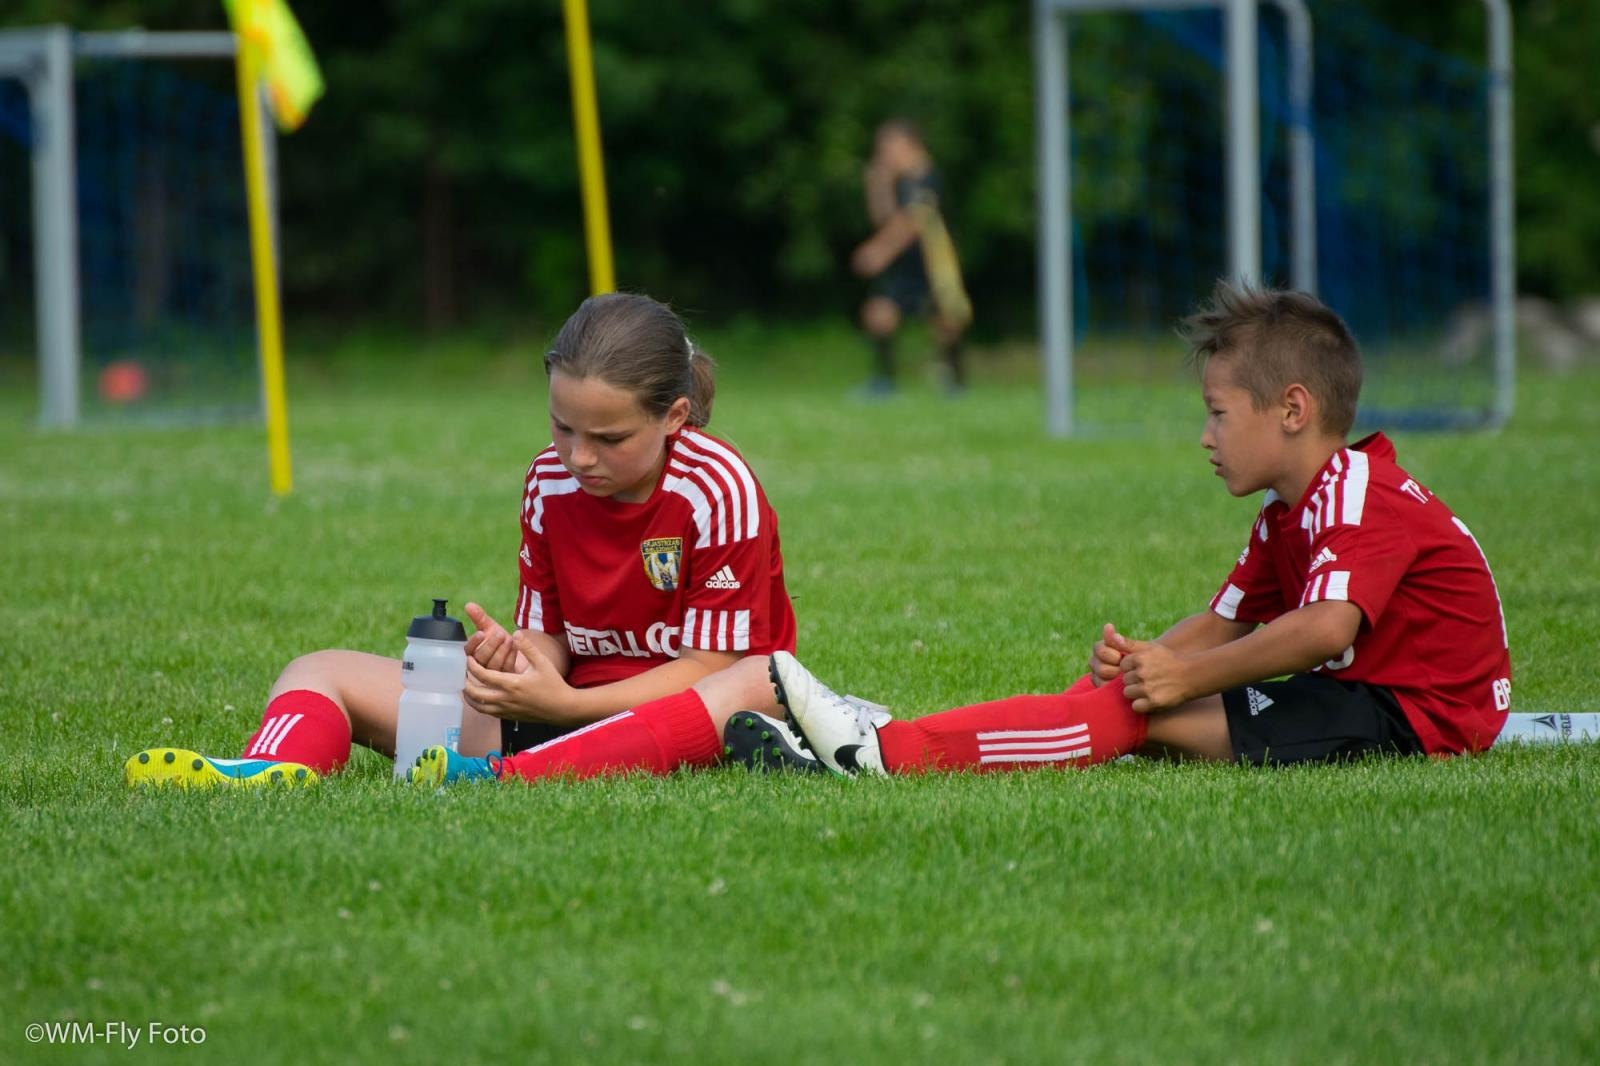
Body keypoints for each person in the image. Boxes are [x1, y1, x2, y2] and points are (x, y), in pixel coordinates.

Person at [696, 282, 1515, 774]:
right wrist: (1153, 659)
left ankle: (883, 755)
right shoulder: (1291, 512)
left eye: (1218, 415)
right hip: (1364, 694)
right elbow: (1226, 620)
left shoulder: (1360, 494)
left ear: (1293, 409)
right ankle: (879, 740)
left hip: (1415, 716)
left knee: (1141, 717)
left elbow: (1321, 628)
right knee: (1124, 701)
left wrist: (1181, 681)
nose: (1205, 437)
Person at [124, 292, 817, 789]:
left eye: (608, 439)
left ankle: (496, 778)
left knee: (749, 688)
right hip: (554, 710)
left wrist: (566, 706)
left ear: (673, 418)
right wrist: (514, 662)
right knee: (320, 668)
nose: (578, 457)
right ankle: (277, 769)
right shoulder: (549, 481)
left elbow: (710, 671)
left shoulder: (716, 485)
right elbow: (553, 636)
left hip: (681, 726)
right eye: (563, 427)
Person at [851, 118, 971, 397]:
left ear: (908, 144)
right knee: (879, 313)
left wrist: (879, 251)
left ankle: (956, 383)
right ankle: (883, 382)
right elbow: (886, 219)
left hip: (934, 263)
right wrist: (878, 185)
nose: (883, 153)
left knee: (947, 323)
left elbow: (912, 222)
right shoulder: (902, 180)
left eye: (887, 146)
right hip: (906, 263)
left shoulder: (925, 176)